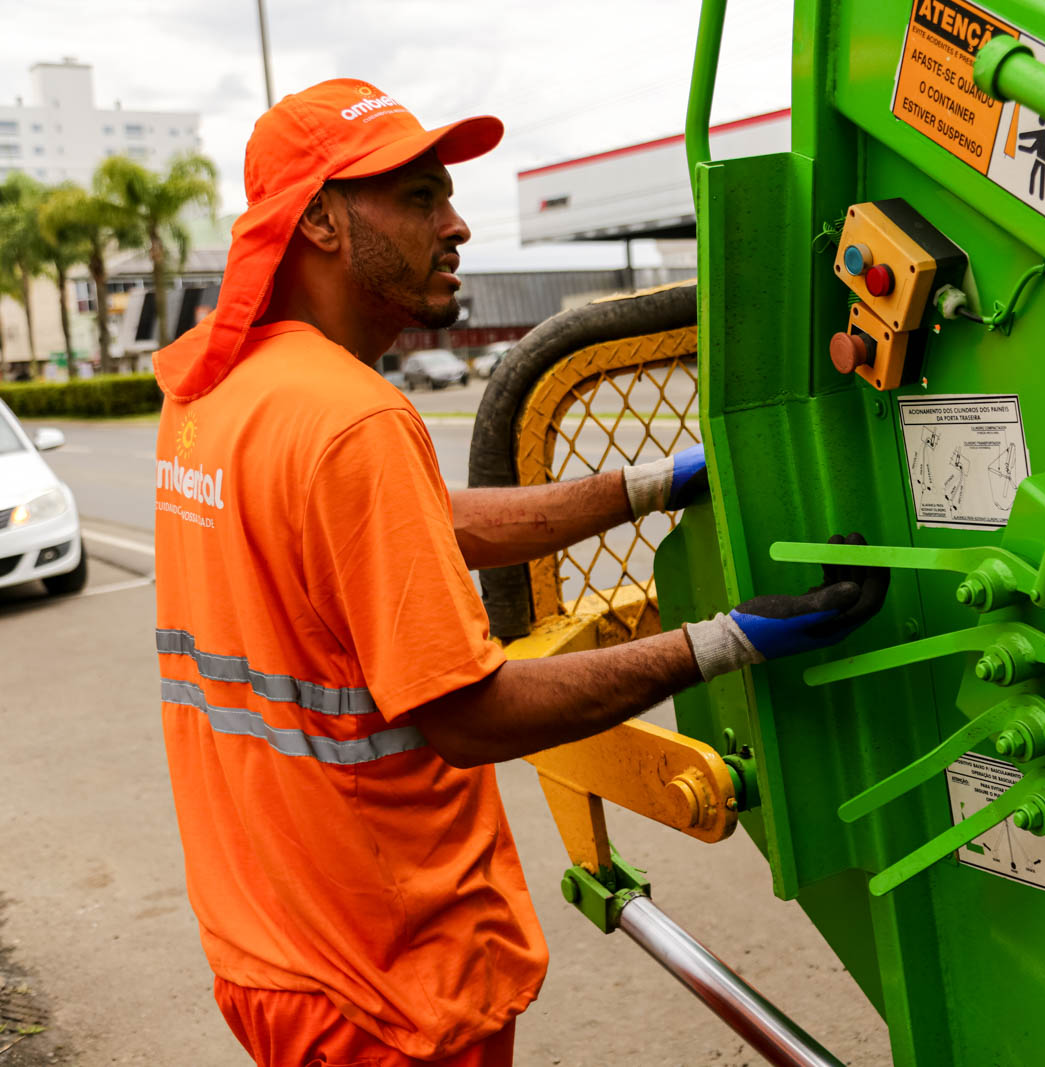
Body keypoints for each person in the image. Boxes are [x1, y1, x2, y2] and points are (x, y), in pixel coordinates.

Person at [152, 79, 885, 1067]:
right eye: (419, 198)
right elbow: (468, 714)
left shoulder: (220, 390)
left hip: (270, 942)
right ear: (319, 220)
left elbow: (415, 525)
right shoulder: (350, 418)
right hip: (382, 978)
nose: (455, 225)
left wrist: (645, 484)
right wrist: (726, 641)